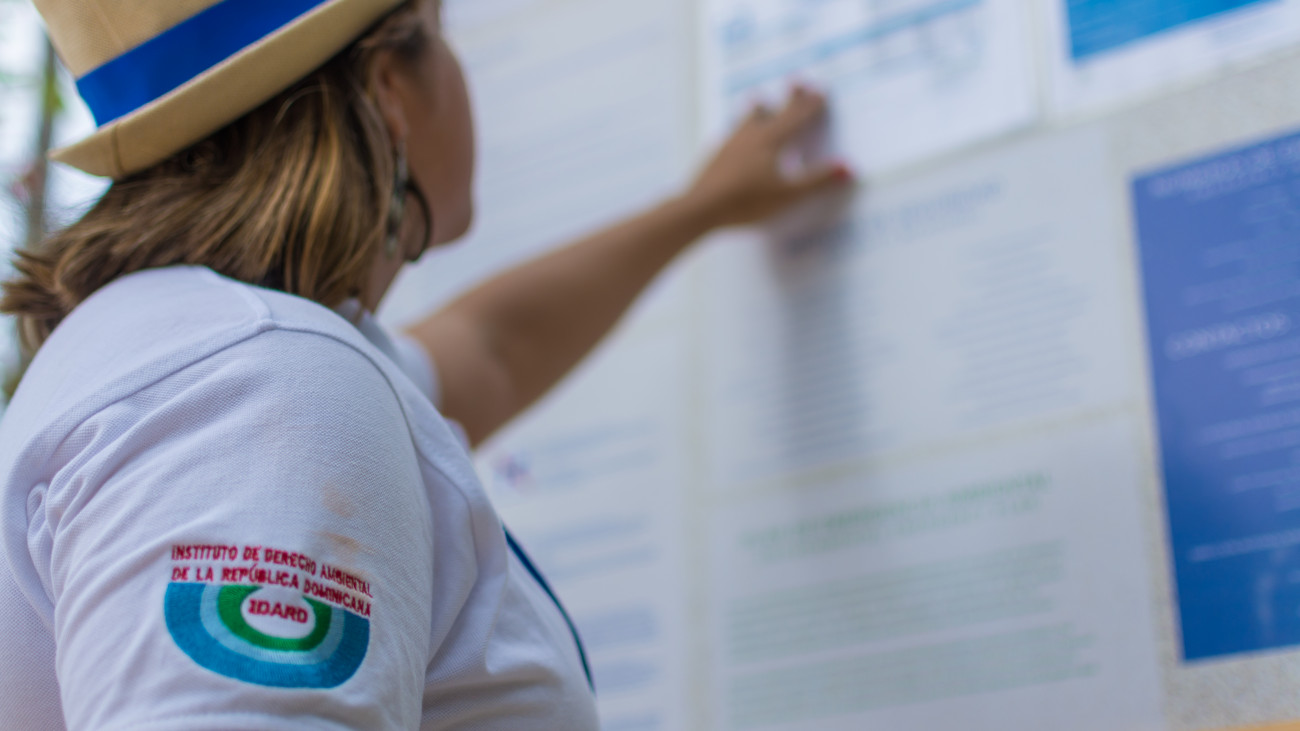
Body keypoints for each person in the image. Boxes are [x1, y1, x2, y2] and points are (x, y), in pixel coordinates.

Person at [0, 0, 852, 727]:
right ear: (389, 88)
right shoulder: (264, 386)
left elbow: (491, 348)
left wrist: (702, 208)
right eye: (442, 31)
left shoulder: (218, 350)